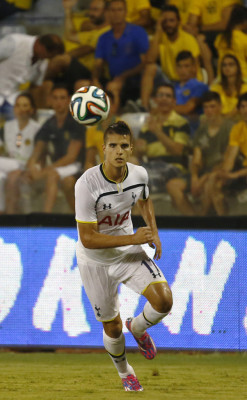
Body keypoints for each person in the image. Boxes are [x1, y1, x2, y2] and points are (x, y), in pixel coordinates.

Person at [75, 120, 173, 391]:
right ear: (103, 148)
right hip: (95, 262)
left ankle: (139, 328)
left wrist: (153, 231)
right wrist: (134, 237)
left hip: (128, 253)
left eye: (124, 146)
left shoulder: (139, 174)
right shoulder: (86, 184)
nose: (119, 151)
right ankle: (125, 372)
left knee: (164, 300)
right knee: (112, 328)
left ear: (131, 149)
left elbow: (144, 198)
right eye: (113, 146)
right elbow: (88, 238)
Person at [24, 84, 85, 213]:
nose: (58, 102)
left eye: (62, 98)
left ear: (68, 101)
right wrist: (31, 167)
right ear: (50, 101)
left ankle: (46, 218)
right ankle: (16, 220)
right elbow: (37, 151)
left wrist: (44, 171)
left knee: (53, 175)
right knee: (23, 177)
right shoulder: (49, 124)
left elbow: (71, 157)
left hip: (77, 166)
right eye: (55, 98)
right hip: (57, 166)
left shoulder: (76, 123)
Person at [135, 84, 195, 216]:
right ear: (155, 100)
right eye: (160, 95)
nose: (164, 99)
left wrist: (157, 131)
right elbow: (140, 150)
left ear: (174, 101)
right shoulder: (148, 124)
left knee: (136, 186)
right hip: (150, 165)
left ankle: (197, 227)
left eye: (168, 96)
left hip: (173, 167)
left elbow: (177, 150)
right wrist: (138, 148)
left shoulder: (180, 123)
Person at [140, 5, 203, 110]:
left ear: (179, 22)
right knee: (150, 68)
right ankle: (144, 108)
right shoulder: (160, 37)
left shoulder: (188, 39)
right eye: (165, 21)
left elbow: (194, 69)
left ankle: (155, 108)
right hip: (169, 81)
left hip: (186, 81)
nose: (168, 24)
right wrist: (158, 31)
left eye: (171, 21)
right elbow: (150, 60)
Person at [92, 0, 149, 108]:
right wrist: (95, 79)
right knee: (83, 85)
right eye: (113, 10)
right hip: (114, 78)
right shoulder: (104, 37)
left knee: (113, 86)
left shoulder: (138, 32)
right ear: (107, 13)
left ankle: (113, 120)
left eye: (119, 10)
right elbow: (98, 64)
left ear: (125, 12)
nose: (116, 13)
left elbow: (145, 62)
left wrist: (123, 76)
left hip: (134, 79)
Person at [0, 33, 64, 120]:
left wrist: (33, 108)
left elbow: (35, 87)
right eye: (48, 55)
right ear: (40, 46)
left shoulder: (43, 62)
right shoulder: (15, 42)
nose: (47, 58)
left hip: (13, 99)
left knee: (20, 125)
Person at [190, 91, 235, 215]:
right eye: (206, 107)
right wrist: (194, 177)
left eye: (212, 106)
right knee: (203, 185)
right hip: (207, 171)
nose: (209, 110)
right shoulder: (201, 130)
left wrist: (204, 178)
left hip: (228, 171)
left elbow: (227, 160)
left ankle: (206, 224)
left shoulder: (230, 128)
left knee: (210, 185)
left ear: (220, 107)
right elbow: (197, 158)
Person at [207, 92, 247, 215]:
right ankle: (224, 224)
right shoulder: (238, 128)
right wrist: (223, 173)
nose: (246, 110)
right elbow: (230, 157)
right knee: (215, 181)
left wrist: (234, 175)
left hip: (242, 173)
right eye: (243, 107)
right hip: (243, 171)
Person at [0, 92, 40, 214]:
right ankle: (2, 215)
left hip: (28, 165)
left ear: (32, 110)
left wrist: (29, 168)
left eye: (25, 105)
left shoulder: (38, 129)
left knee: (13, 177)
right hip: (9, 165)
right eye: (18, 105)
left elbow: (41, 154)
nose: (21, 109)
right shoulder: (6, 126)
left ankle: (12, 218)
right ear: (14, 109)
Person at [62, 0, 110, 73]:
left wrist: (62, 57)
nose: (90, 13)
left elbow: (87, 49)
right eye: (90, 9)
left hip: (95, 75)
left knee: (60, 61)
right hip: (80, 70)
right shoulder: (95, 32)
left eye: (95, 10)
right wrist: (67, 10)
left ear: (107, 12)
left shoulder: (109, 31)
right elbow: (70, 35)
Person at [174, 50, 208, 132]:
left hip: (190, 130)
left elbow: (187, 108)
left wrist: (165, 109)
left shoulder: (200, 86)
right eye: (180, 66)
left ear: (194, 67)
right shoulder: (172, 87)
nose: (183, 70)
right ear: (176, 69)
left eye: (186, 66)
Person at [214, 5, 247, 80]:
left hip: (221, 78)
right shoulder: (244, 39)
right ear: (244, 21)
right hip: (243, 78)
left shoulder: (220, 38)